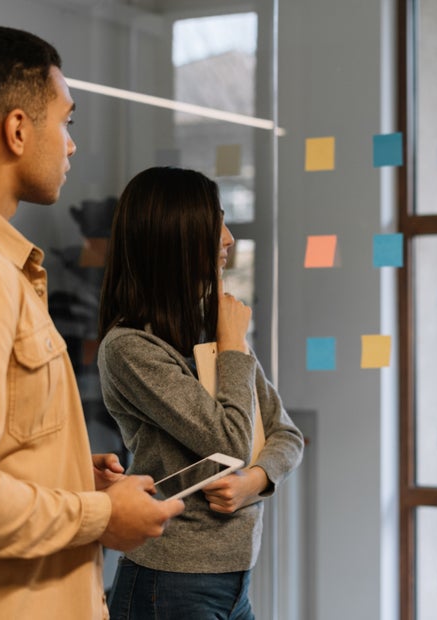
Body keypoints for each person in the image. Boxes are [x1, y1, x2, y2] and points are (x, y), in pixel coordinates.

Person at [0, 25, 184, 619]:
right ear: (19, 129)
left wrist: (72, 480)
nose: (71, 145)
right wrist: (100, 516)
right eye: (66, 122)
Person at [97, 166, 304, 619]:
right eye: (216, 226)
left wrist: (256, 481)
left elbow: (287, 435)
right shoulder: (130, 348)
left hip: (235, 583)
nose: (228, 238)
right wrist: (233, 347)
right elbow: (229, 440)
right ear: (177, 238)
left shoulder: (214, 330)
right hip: (168, 585)